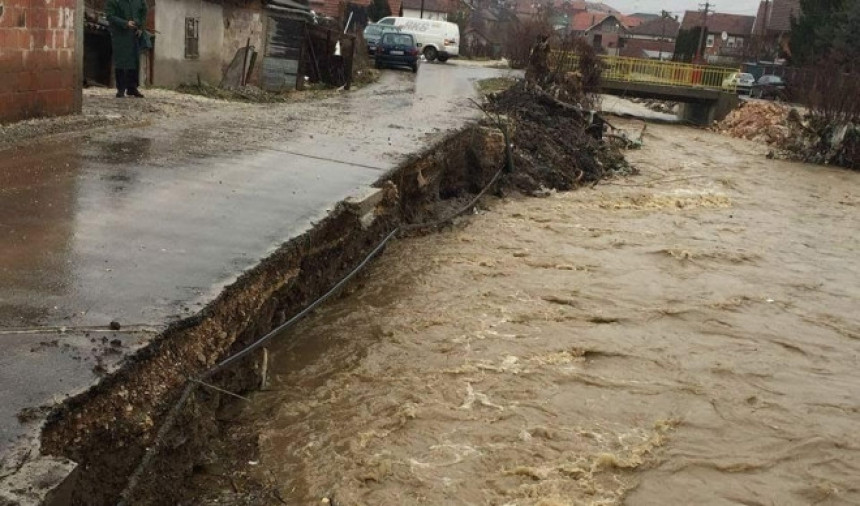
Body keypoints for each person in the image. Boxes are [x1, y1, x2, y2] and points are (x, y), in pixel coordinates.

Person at [106, 0, 147, 98]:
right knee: (121, 61)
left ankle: (132, 88)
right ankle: (121, 89)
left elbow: (144, 11)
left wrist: (141, 27)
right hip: (120, 35)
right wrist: (125, 23)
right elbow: (110, 16)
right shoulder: (114, 1)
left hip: (134, 34)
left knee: (134, 60)